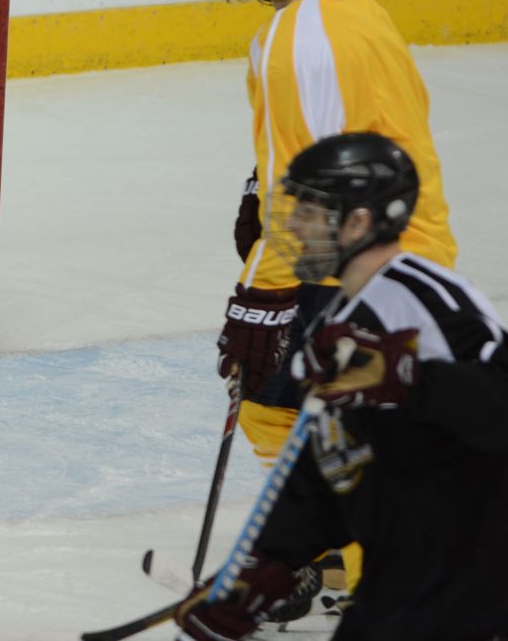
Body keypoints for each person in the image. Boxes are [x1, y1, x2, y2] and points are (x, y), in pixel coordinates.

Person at [212, 0, 458, 610]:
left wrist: (264, 292)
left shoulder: (292, 40)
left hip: (355, 264)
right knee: (339, 413)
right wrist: (261, 182)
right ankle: (347, 553)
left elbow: (317, 189)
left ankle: (370, 565)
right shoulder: (354, 8)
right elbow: (347, 131)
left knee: (271, 399)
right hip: (407, 248)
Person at [175, 132, 508, 641]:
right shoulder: (337, 324)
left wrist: (409, 377)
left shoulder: (424, 300)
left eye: (309, 213)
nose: (292, 227)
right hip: (399, 586)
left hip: (476, 586)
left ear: (359, 222)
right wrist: (267, 566)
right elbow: (334, 463)